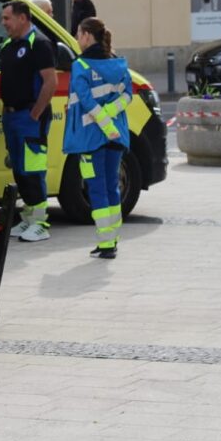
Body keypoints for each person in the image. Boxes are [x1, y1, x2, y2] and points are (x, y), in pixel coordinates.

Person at [63, 17, 132, 259]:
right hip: (116, 137)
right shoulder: (118, 64)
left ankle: (105, 243)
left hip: (91, 138)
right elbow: (128, 96)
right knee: (112, 186)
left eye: (78, 34)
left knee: (97, 188)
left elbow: (86, 100)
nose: (76, 38)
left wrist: (103, 123)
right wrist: (110, 121)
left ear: (87, 36)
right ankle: (112, 239)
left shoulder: (81, 65)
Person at [0, 1, 57, 242]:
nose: (3, 23)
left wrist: (35, 113)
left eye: (7, 18)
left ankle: (41, 224)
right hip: (11, 117)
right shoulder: (9, 45)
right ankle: (28, 219)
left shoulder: (39, 43)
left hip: (29, 117)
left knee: (33, 171)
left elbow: (50, 82)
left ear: (22, 18)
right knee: (20, 171)